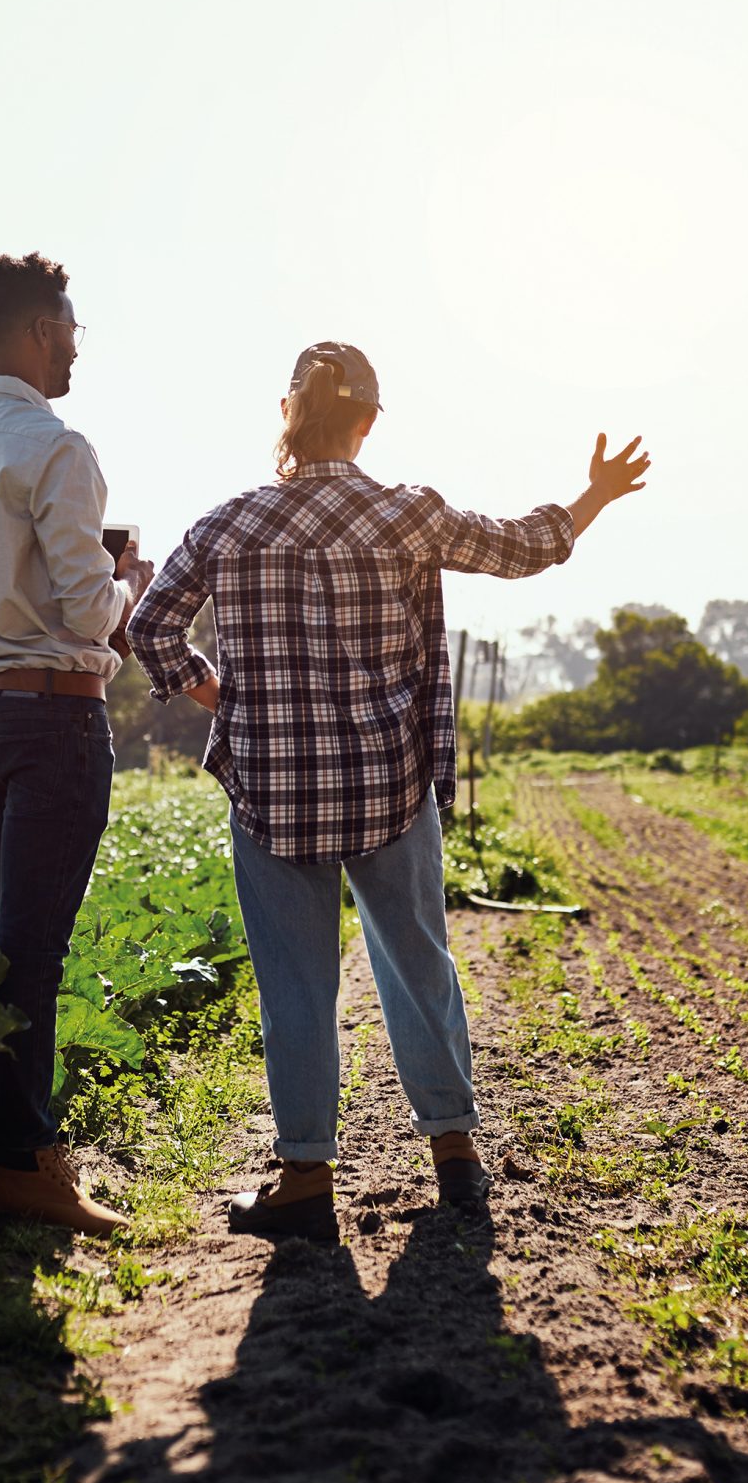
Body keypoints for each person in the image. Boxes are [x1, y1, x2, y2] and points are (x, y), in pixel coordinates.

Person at [126, 342, 648, 1240]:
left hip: (272, 789)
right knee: (418, 966)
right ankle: (455, 1158)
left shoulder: (227, 524)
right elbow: (526, 547)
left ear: (286, 414)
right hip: (390, 786)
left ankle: (304, 1177)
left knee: (295, 986)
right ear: (369, 420)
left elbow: (151, 624)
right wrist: (595, 493)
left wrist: (217, 692)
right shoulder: (408, 513)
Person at [0, 252, 151, 1236]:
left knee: (0, 942)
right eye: (71, 331)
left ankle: (0, 1146)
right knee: (34, 952)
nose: (75, 351)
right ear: (38, 332)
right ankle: (25, 1162)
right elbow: (90, 611)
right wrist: (128, 578)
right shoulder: (57, 446)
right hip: (56, 714)